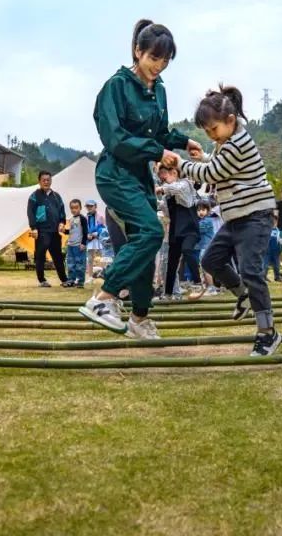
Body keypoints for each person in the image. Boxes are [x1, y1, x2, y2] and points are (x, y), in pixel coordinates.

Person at [79, 19, 201, 338]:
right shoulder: (116, 86)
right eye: (153, 58)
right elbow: (115, 138)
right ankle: (103, 298)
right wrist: (157, 151)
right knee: (148, 232)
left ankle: (140, 318)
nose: (158, 66)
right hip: (115, 174)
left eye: (164, 61)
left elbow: (160, 132)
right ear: (138, 51)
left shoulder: (158, 90)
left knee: (146, 245)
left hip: (140, 178)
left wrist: (181, 141)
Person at [182, 85, 281, 356]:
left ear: (230, 120)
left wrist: (178, 165)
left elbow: (213, 173)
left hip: (255, 216)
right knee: (210, 261)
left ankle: (268, 332)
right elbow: (218, 164)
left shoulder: (238, 143)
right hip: (236, 218)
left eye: (213, 130)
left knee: (251, 271)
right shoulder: (227, 141)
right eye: (206, 132)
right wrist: (202, 157)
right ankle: (243, 295)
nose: (210, 135)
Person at [156, 165, 202, 298]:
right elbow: (164, 209)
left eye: (165, 174)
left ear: (174, 172)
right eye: (160, 176)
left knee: (187, 250)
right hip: (175, 231)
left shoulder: (185, 184)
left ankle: (197, 283)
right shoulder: (167, 194)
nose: (163, 178)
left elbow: (177, 189)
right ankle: (168, 293)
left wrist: (160, 188)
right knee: (172, 262)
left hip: (190, 229)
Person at [27, 170, 68, 287]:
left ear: (51, 181)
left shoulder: (56, 196)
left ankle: (64, 280)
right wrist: (33, 227)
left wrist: (62, 222)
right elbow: (30, 213)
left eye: (48, 180)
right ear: (39, 181)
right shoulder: (34, 196)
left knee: (58, 256)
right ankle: (42, 280)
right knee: (40, 255)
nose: (46, 182)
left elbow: (61, 210)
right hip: (41, 231)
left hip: (55, 231)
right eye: (43, 180)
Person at [63, 199, 89, 288]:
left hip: (79, 245)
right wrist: (64, 231)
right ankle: (71, 280)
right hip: (70, 245)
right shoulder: (70, 219)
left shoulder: (83, 219)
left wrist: (83, 243)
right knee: (70, 263)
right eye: (72, 208)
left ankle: (80, 281)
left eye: (76, 208)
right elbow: (70, 231)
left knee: (80, 263)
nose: (74, 210)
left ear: (80, 208)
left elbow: (85, 232)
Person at [83, 199, 103, 284]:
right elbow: (84, 229)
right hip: (90, 240)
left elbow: (104, 228)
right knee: (90, 259)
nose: (89, 208)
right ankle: (90, 277)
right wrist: (87, 235)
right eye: (88, 206)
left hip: (99, 240)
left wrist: (97, 233)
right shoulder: (85, 217)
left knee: (104, 258)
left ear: (95, 206)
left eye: (91, 206)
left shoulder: (100, 216)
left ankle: (107, 276)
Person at [263, 210, 282, 283]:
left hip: (276, 251)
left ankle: (277, 277)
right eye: (272, 221)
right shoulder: (266, 230)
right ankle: (263, 276)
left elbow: (281, 241)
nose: (274, 223)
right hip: (267, 250)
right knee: (265, 264)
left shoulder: (278, 231)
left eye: (275, 221)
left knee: (276, 265)